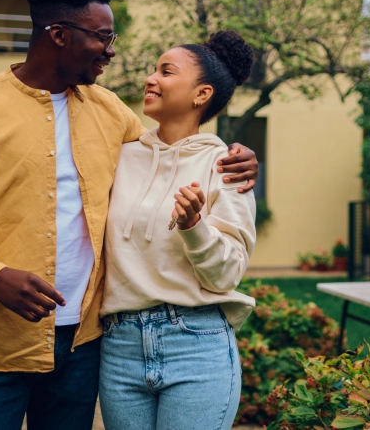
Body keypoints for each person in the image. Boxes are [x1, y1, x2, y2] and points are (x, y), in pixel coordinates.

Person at [0, 0, 258, 430]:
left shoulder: (112, 113)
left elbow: (172, 150)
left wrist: (239, 157)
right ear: (58, 35)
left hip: (86, 345)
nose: (111, 50)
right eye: (102, 37)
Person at [98, 30, 256, 430]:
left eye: (166, 72)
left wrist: (194, 227)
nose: (151, 79)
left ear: (201, 94)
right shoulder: (120, 155)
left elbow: (229, 274)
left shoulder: (227, 167)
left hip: (196, 344)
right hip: (120, 346)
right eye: (154, 70)